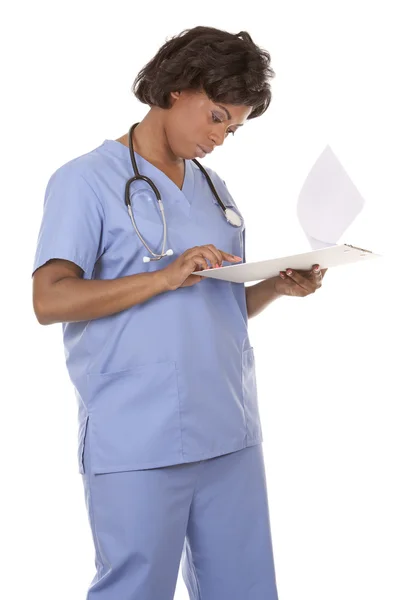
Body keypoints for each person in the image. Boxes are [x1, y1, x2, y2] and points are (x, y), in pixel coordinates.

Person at [32, 25, 326, 600]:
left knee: (244, 590)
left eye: (233, 127)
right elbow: (50, 299)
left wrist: (273, 287)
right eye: (216, 116)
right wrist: (163, 276)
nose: (221, 136)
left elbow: (215, 306)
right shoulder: (85, 181)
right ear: (176, 89)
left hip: (229, 428)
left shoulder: (216, 191)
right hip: (138, 433)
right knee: (134, 590)